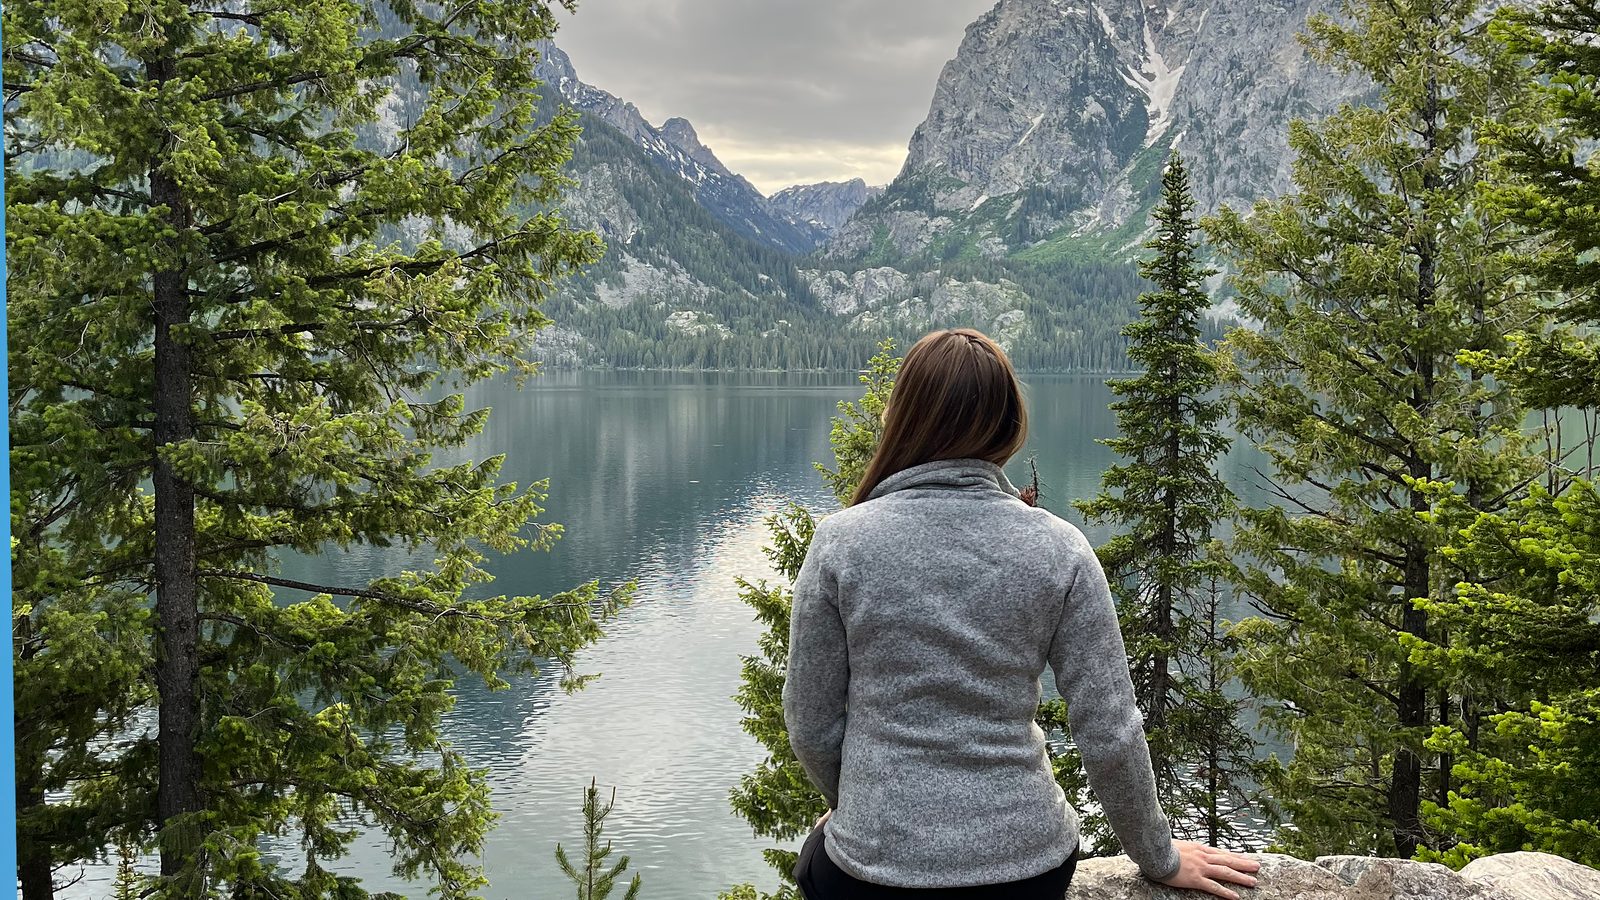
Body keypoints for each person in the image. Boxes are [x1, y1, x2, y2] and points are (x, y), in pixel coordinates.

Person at [782, 328, 1262, 899]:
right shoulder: (1060, 548)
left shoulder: (840, 544)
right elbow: (1109, 729)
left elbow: (810, 724)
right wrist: (1158, 856)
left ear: (901, 418)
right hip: (1028, 866)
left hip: (874, 869)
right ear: (1010, 426)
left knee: (814, 863)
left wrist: (864, 809)